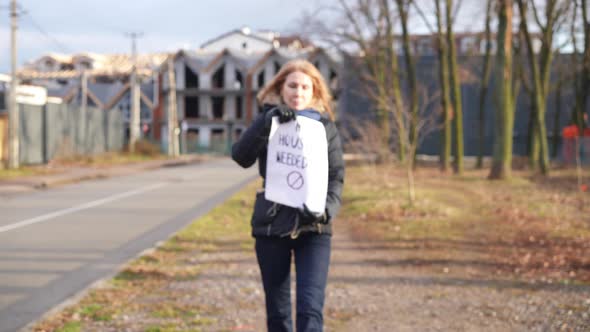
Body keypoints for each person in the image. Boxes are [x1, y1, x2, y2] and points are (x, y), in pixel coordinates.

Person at [231, 59, 344, 332]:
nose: (298, 92)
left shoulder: (325, 128)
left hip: (315, 228)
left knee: (310, 309)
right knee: (278, 314)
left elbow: (337, 176)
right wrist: (266, 123)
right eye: (292, 85)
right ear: (281, 88)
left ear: (314, 92)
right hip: (271, 227)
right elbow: (240, 157)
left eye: (306, 87)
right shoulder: (268, 120)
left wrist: (325, 210)